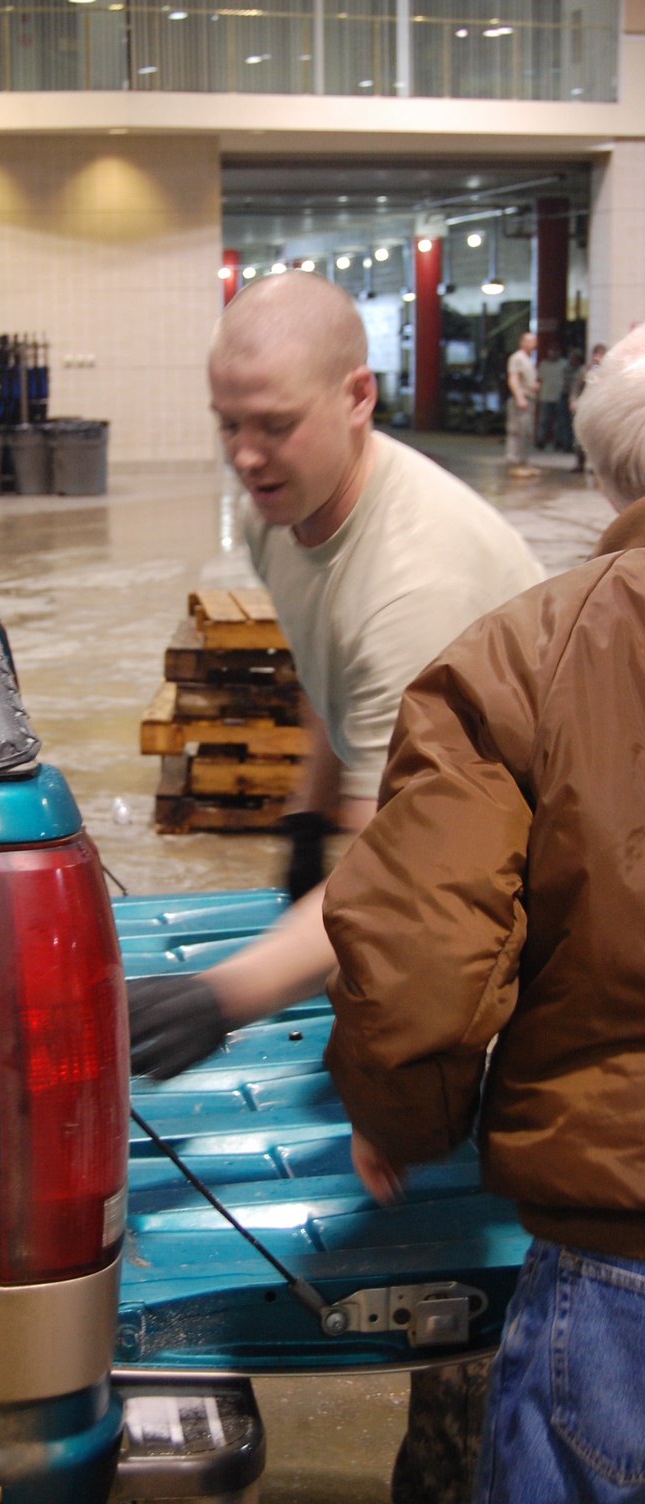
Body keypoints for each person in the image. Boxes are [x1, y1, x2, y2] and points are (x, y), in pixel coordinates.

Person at [128, 270, 544, 1503]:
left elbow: (420, 882)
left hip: (535, 876)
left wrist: (228, 995)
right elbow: (330, 674)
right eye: (228, 423)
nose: (247, 454)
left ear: (358, 399)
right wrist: (310, 813)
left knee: (451, 1232)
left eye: (274, 423)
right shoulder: (279, 505)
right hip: (435, 837)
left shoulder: (420, 574)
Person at [320, 323, 645, 1504]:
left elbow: (416, 965)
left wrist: (400, 1123)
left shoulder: (525, 656)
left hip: (621, 1278)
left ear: (606, 476)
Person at [505, 329, 539, 478]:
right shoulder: (517, 358)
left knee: (527, 432)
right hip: (521, 400)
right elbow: (513, 378)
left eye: (534, 341)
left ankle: (524, 461)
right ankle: (515, 461)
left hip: (530, 398)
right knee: (518, 431)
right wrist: (519, 396)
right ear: (522, 342)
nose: (533, 344)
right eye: (530, 341)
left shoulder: (529, 359)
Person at [570, 341, 608, 472]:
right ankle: (579, 464)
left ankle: (597, 466)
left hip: (601, 408)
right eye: (596, 353)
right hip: (585, 407)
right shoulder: (585, 370)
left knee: (598, 439)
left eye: (601, 354)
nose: (598, 357)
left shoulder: (609, 372)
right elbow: (576, 387)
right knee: (580, 438)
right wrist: (573, 400)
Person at [534, 342, 565, 450]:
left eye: (555, 351)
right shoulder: (543, 365)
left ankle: (558, 442)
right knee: (543, 421)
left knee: (559, 422)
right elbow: (538, 380)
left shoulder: (563, 364)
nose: (553, 353)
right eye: (551, 351)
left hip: (558, 397)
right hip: (545, 396)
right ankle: (540, 441)